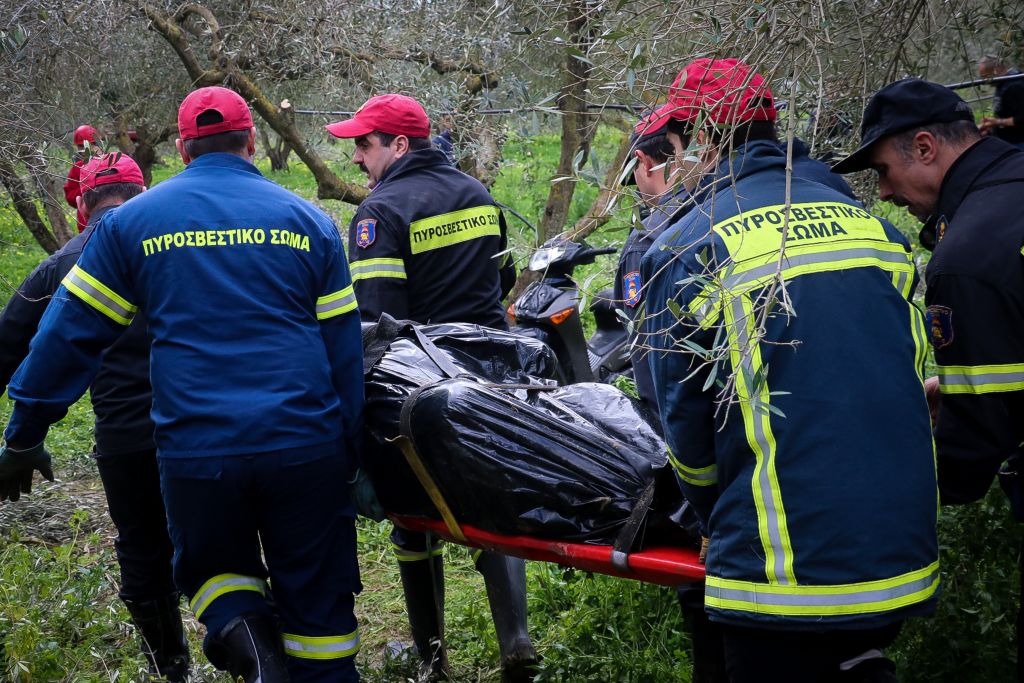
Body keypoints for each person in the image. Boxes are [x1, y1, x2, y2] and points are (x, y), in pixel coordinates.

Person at [0, 86, 364, 683]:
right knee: (321, 619)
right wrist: (353, 454)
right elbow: (344, 352)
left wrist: (24, 434)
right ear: (251, 142)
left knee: (219, 577)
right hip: (306, 445)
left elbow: (66, 339)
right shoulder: (310, 223)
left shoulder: (130, 226)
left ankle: (260, 661)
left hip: (199, 453)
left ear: (185, 150)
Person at [642, 58, 939, 681]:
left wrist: (707, 513)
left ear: (698, 138)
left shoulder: (692, 243)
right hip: (899, 548)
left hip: (780, 572)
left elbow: (684, 426)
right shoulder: (874, 229)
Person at [325, 93, 535, 683]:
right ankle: (515, 639)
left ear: (398, 145)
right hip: (496, 375)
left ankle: (432, 659)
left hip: (423, 387)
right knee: (494, 502)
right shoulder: (479, 195)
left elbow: (373, 321)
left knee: (411, 515)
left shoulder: (379, 213)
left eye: (364, 145)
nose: (357, 157)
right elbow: (503, 279)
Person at [832, 76, 1024, 680]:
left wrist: (886, 489)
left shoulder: (966, 257)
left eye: (885, 172)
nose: (885, 194)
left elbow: (977, 441)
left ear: (924, 147)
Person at [0, 152, 189, 680]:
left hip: (126, 438)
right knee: (225, 548)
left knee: (143, 555)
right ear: (145, 188)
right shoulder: (180, 243)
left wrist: (20, 441)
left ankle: (171, 668)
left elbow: (8, 343)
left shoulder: (62, 262)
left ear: (82, 205)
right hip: (205, 424)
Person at [978, 55, 1024, 149]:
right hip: (1009, 140)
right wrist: (992, 123)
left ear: (996, 70)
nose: (985, 81)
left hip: (1019, 142)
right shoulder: (1003, 83)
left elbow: (1022, 118)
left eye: (986, 77)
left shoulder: (1015, 85)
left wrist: (997, 122)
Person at [64, 124, 101, 233]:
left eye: (91, 145)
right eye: (81, 147)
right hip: (88, 227)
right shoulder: (77, 169)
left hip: (111, 221)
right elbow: (71, 198)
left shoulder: (112, 163)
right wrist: (88, 188)